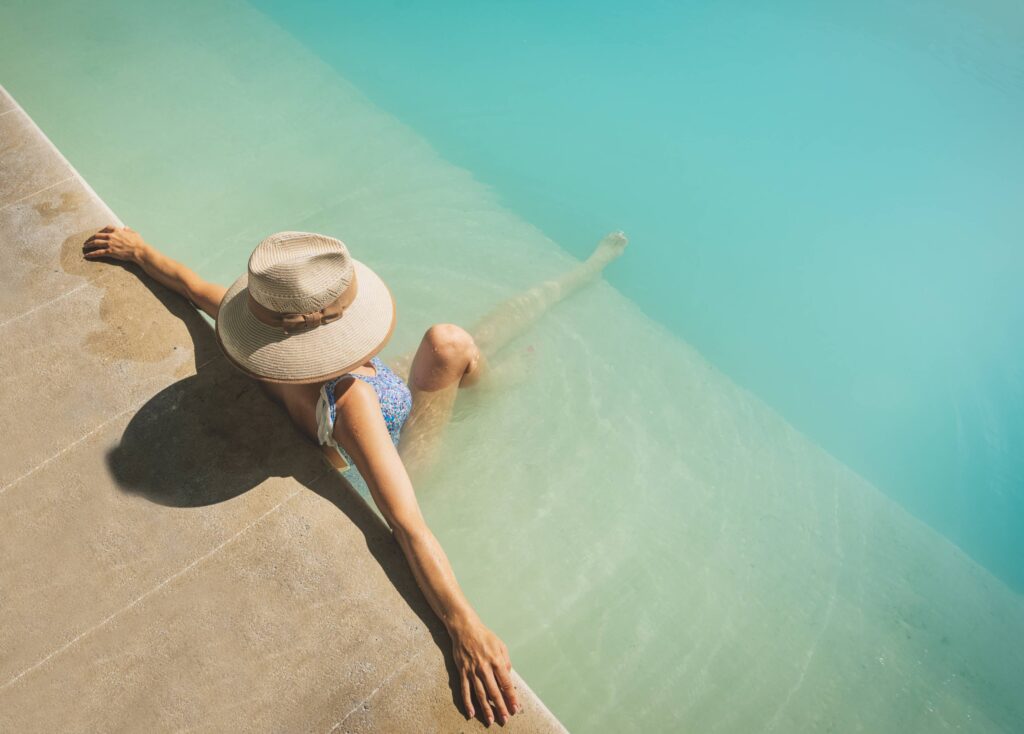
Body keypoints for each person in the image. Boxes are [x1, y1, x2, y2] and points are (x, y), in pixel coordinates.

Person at [83, 226, 628, 726]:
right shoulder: (353, 400)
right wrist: (462, 624)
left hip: (359, 418)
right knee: (453, 347)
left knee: (446, 344)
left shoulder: (259, 346)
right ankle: (527, 345)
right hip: (393, 453)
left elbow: (193, 289)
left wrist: (140, 253)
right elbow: (407, 524)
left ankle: (559, 297)